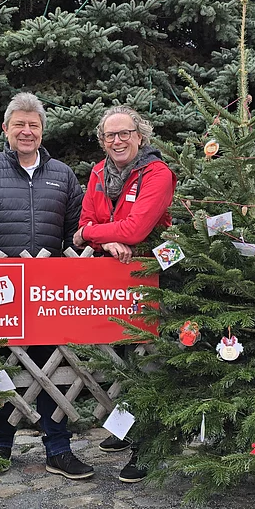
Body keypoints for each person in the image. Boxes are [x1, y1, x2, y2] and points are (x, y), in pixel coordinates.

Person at [0, 92, 92, 480]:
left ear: (42, 131)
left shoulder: (63, 175)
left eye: (34, 125)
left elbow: (78, 231)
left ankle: (58, 449)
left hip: (46, 294)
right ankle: (0, 447)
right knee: (0, 369)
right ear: (5, 129)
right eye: (19, 124)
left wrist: (99, 242)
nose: (27, 131)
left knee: (49, 367)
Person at [73, 105, 177, 482]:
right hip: (112, 277)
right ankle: (130, 429)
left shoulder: (158, 173)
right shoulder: (99, 172)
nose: (116, 140)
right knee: (120, 360)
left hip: (152, 274)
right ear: (102, 141)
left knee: (149, 360)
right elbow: (84, 218)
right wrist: (105, 236)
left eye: (124, 133)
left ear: (140, 136)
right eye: (109, 135)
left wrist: (94, 235)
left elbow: (133, 231)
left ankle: (149, 444)